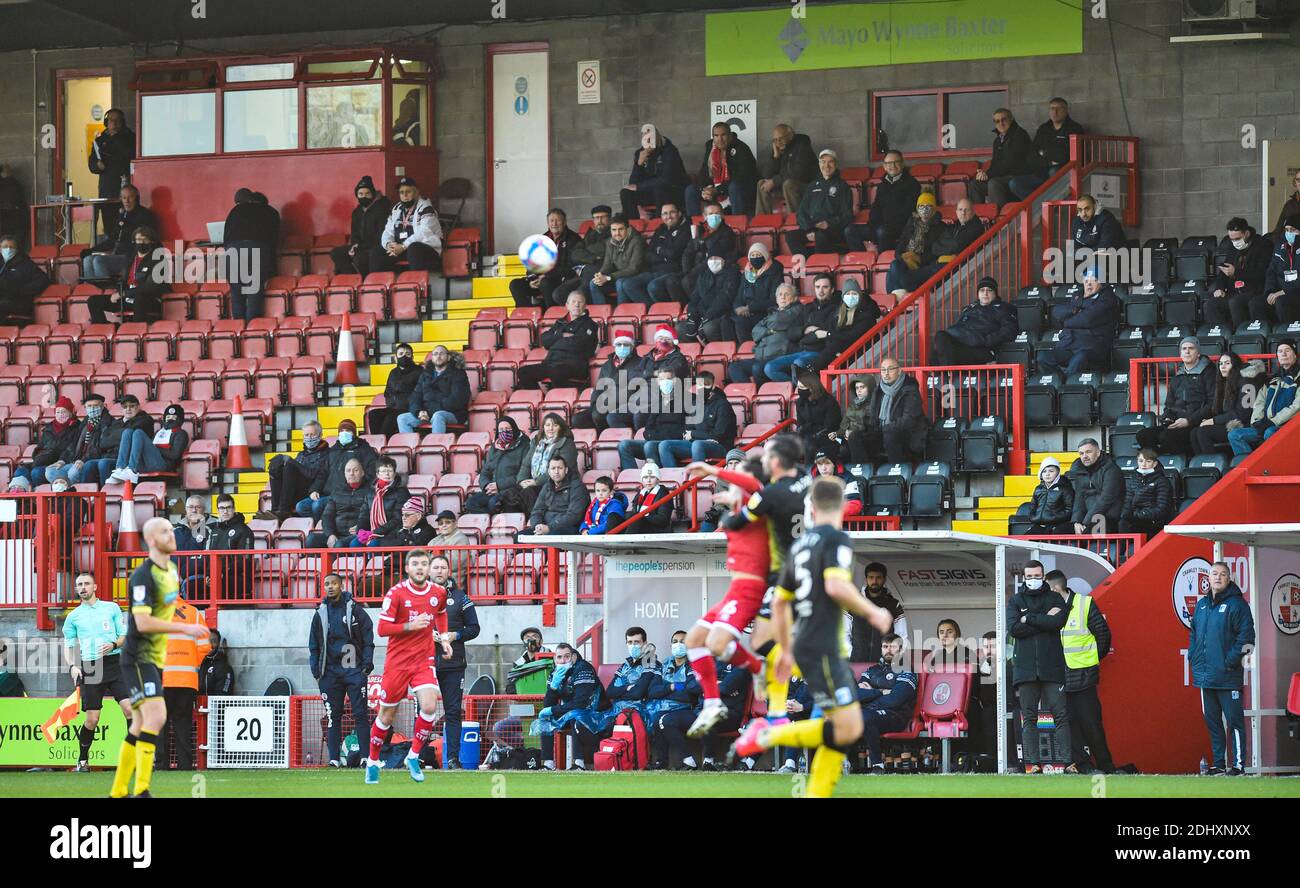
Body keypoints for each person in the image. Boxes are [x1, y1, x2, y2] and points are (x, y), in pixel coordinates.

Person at [732, 475, 892, 797]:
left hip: (804, 645)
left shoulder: (800, 546)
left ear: (811, 507)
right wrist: (873, 612)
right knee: (848, 725)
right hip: (823, 646)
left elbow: (778, 602)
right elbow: (836, 585)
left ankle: (816, 790)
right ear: (845, 506)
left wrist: (787, 650)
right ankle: (766, 736)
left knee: (842, 726)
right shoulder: (837, 540)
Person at [109, 518, 209, 798]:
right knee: (157, 716)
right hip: (138, 656)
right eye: (165, 531)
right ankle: (141, 789)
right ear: (151, 539)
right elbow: (142, 623)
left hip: (153, 658)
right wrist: (185, 627)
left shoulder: (172, 571)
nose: (172, 534)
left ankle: (119, 790)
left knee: (142, 723)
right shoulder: (142, 576)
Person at [721, 435, 811, 722]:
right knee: (771, 641)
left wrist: (733, 506)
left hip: (785, 574)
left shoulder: (771, 495)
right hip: (806, 567)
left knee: (760, 643)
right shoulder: (805, 478)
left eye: (767, 457)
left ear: (776, 461)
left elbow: (735, 522)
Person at [682, 457, 771, 738]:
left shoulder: (758, 502)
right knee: (693, 641)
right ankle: (712, 702)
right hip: (735, 588)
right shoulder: (738, 512)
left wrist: (712, 470)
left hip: (750, 588)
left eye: (737, 476)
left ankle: (757, 667)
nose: (732, 480)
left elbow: (753, 484)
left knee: (717, 644)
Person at [365, 549, 454, 784]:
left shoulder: (438, 592)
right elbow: (382, 629)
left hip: (423, 660)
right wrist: (410, 626)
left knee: (429, 705)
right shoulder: (396, 594)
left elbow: (442, 613)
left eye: (424, 564)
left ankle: (413, 756)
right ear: (407, 568)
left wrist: (444, 639)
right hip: (397, 663)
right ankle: (372, 761)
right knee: (386, 716)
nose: (420, 568)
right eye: (415, 564)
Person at [1045, 570, 1115, 774]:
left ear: (1057, 588)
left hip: (1083, 677)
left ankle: (1106, 766)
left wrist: (1091, 662)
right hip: (1058, 678)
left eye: (1048, 590)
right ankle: (1082, 765)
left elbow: (1103, 635)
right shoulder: (1048, 608)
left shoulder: (1084, 604)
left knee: (1091, 723)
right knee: (1067, 725)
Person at [1189, 561, 1255, 776]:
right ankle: (1218, 764)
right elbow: (1194, 634)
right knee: (1213, 722)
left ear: (1229, 579)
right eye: (1214, 573)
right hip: (1205, 676)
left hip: (1227, 676)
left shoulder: (1238, 605)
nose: (1218, 577)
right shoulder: (1201, 605)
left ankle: (1237, 765)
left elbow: (1248, 640)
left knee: (1234, 722)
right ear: (1208, 578)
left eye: (1223, 574)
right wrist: (1193, 657)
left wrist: (1230, 662)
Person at [1009, 560, 1074, 773]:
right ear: (1024, 577)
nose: (1033, 580)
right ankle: (1033, 765)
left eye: (1037, 576)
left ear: (1043, 576)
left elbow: (1057, 623)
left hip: (1052, 666)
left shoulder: (1055, 598)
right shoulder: (1016, 600)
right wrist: (1043, 621)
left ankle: (1068, 763)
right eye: (1029, 576)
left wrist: (1029, 618)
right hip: (1026, 670)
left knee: (1061, 716)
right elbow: (1014, 629)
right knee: (1029, 718)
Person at [62, 572, 131, 772]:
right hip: (91, 666)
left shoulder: (111, 608)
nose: (82, 587)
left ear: (95, 587)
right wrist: (72, 666)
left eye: (86, 583)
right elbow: (68, 645)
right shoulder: (73, 617)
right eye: (79, 584)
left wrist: (113, 644)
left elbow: (124, 635)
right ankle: (82, 761)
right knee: (92, 718)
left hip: (114, 662)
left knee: (130, 709)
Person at [309, 573, 375, 768]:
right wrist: (316, 670)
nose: (330, 587)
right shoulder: (320, 613)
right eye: (327, 584)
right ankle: (334, 759)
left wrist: (366, 664)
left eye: (334, 583)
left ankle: (365, 758)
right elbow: (313, 644)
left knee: (360, 714)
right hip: (329, 673)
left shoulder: (355, 609)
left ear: (341, 585)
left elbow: (368, 635)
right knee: (333, 716)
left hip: (354, 670)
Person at [430, 554, 479, 769]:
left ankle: (453, 758)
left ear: (449, 572)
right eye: (436, 567)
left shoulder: (461, 597)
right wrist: (424, 635)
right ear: (429, 571)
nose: (439, 571)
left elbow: (474, 628)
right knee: (423, 710)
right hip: (425, 663)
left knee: (452, 711)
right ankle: (419, 756)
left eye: (443, 567)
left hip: (453, 664)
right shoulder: (418, 596)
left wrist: (454, 636)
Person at [533, 642, 611, 770]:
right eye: (559, 657)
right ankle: (547, 764)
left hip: (598, 715)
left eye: (567, 656)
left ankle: (579, 763)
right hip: (573, 712)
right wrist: (553, 687)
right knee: (545, 718)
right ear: (554, 659)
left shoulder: (583, 668)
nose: (563, 661)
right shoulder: (555, 673)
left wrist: (553, 709)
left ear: (573, 657)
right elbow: (548, 704)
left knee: (575, 714)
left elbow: (581, 702)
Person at [1136, 337, 1216, 455]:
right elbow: (1169, 405)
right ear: (1180, 353)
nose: (1187, 351)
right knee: (1143, 436)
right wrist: (1167, 418)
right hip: (1177, 423)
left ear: (1198, 353)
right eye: (1184, 349)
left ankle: (1182, 462)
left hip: (1196, 423)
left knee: (1167, 437)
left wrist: (1189, 421)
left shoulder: (1209, 372)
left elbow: (1212, 404)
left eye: (1191, 348)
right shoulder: (1177, 376)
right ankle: (1159, 462)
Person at [158, 594, 209, 771]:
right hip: (187, 679)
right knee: (183, 723)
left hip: (162, 679)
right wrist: (191, 663)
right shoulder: (194, 613)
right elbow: (205, 645)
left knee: (160, 723)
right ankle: (185, 765)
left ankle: (161, 764)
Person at [1037, 269, 1120, 377]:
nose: (1089, 284)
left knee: (1078, 359)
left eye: (1093, 280)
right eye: (1086, 281)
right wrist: (1074, 310)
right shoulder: (1078, 295)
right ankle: (1060, 382)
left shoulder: (1107, 298)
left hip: (1091, 347)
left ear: (1101, 283)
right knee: (1043, 358)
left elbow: (1087, 319)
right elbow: (1056, 311)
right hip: (1068, 344)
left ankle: (1067, 387)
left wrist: (1066, 322)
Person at [855, 633, 919, 772]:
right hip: (871, 712)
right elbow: (856, 695)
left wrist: (869, 696)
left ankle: (877, 765)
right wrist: (880, 691)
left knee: (865, 716)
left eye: (893, 646)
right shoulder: (872, 670)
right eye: (885, 646)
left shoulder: (907, 670)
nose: (888, 650)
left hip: (896, 716)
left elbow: (894, 701)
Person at [1228, 339, 1300, 455]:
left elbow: (1296, 406)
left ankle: (1272, 467)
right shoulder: (1273, 378)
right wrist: (1257, 421)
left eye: (1288, 350)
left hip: (1287, 427)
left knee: (1270, 432)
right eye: (1280, 351)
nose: (1284, 354)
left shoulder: (1298, 377)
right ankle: (1251, 466)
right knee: (1235, 435)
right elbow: (1259, 401)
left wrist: (1273, 422)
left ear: (1295, 355)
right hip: (1267, 424)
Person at [516, 291, 600, 390]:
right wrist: (562, 336)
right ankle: (542, 398)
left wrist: (555, 341)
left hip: (575, 364)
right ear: (567, 305)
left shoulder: (590, 325)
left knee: (556, 372)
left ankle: (566, 397)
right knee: (523, 372)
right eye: (573, 302)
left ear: (585, 306)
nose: (576, 305)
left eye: (580, 302)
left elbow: (578, 345)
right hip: (552, 362)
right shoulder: (560, 322)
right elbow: (544, 340)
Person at [761, 274, 839, 380]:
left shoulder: (837, 309)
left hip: (820, 352)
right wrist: (805, 330)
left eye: (825, 287)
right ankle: (796, 389)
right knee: (770, 368)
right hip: (801, 351)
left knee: (798, 364)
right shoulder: (807, 308)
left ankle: (802, 390)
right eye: (817, 287)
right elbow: (791, 332)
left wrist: (808, 334)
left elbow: (827, 333)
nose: (821, 291)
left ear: (832, 289)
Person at [930, 276, 1019, 367]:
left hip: (983, 349)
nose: (985, 293)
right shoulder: (969, 309)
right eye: (982, 290)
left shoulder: (1004, 308)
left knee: (943, 344)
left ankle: (950, 377)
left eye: (989, 290)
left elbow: (1009, 331)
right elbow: (958, 327)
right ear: (978, 293)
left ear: (995, 293)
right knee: (937, 349)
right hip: (965, 344)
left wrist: (986, 340)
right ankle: (948, 378)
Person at [852, 357, 926, 465]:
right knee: (855, 436)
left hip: (907, 436)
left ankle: (894, 472)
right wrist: (857, 427)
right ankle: (863, 473)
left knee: (890, 433)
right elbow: (872, 417)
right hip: (882, 433)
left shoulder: (910, 390)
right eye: (883, 370)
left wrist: (886, 428)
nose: (886, 373)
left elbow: (909, 420)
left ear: (899, 371)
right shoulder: (879, 390)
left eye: (890, 369)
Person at [727, 284, 805, 385]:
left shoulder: (797, 310)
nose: (783, 297)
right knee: (734, 367)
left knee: (757, 368)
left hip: (780, 355)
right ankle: (753, 394)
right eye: (780, 294)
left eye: (787, 294)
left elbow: (777, 321)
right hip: (762, 356)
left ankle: (763, 395)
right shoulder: (772, 312)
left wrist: (764, 327)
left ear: (794, 298)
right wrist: (769, 331)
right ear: (776, 299)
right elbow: (755, 331)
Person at [615, 202, 691, 306]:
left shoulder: (687, 229)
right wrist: (664, 257)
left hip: (674, 271)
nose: (668, 216)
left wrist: (659, 250)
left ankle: (664, 314)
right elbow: (648, 254)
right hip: (654, 270)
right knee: (628, 284)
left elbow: (675, 253)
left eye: (672, 212)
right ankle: (652, 312)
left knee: (653, 286)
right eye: (665, 213)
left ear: (679, 213)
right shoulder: (661, 229)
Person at [845, 150, 921, 253]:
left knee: (882, 232)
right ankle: (866, 260)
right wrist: (873, 226)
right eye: (889, 163)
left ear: (902, 164)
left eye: (896, 162)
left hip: (901, 228)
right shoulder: (882, 185)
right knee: (850, 230)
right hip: (881, 226)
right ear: (884, 166)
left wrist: (881, 227)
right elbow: (876, 208)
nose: (892, 166)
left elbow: (908, 211)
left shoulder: (913, 184)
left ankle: (883, 261)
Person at [1191, 353, 1267, 455]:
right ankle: (1201, 466)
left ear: (1235, 365)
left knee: (1202, 432)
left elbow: (1243, 413)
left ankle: (1214, 465)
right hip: (1230, 421)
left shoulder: (1247, 381)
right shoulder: (1225, 381)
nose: (1223, 366)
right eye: (1221, 363)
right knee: (1194, 432)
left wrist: (1213, 421)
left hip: (1245, 424)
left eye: (1227, 363)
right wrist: (1211, 420)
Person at [646, 631, 702, 768]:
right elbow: (652, 691)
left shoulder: (694, 664)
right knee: (657, 719)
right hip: (665, 710)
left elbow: (690, 693)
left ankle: (689, 760)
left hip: (688, 710)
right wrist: (673, 686)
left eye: (682, 641)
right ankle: (662, 762)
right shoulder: (665, 665)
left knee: (664, 719)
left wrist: (664, 691)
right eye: (675, 641)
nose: (678, 644)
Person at [223, 188, 280, 322]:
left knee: (236, 294)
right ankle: (252, 332)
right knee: (254, 293)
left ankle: (238, 331)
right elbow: (273, 240)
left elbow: (226, 238)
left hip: (234, 250)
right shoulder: (271, 212)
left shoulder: (236, 210)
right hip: (257, 249)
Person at [783, 149, 853, 258]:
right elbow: (801, 213)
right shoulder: (812, 186)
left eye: (830, 162)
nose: (827, 165)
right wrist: (808, 229)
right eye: (823, 162)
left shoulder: (843, 187)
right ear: (819, 164)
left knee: (821, 235)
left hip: (833, 229)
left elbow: (847, 215)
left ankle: (819, 268)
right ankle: (805, 265)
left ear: (835, 164)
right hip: (812, 227)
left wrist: (828, 224)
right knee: (790, 236)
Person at [1205, 218, 1273, 329]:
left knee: (1235, 302)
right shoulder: (1232, 246)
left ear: (1246, 233)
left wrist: (1236, 272)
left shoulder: (1264, 245)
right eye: (1232, 239)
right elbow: (1225, 267)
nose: (1235, 242)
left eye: (1237, 238)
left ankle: (1240, 335)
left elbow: (1262, 273)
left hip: (1255, 291)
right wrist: (1220, 288)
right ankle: (1223, 335)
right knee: (1211, 304)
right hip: (1235, 290)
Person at [657, 372, 736, 467]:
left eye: (706, 385)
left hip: (721, 446)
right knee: (664, 445)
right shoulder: (695, 404)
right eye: (699, 385)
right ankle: (675, 477)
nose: (702, 388)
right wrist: (696, 435)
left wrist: (694, 434)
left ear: (713, 386)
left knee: (697, 444)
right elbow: (688, 429)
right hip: (696, 443)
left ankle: (696, 480)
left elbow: (718, 435)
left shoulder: (723, 405)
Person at [570, 329, 644, 432]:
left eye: (626, 345)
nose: (622, 347)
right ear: (615, 346)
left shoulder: (639, 363)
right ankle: (604, 432)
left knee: (598, 415)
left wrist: (607, 403)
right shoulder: (607, 365)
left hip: (624, 403)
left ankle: (604, 438)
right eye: (619, 344)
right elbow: (599, 387)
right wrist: (595, 403)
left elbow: (631, 390)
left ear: (632, 347)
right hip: (604, 403)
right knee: (577, 419)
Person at [82, 184, 157, 281]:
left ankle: (109, 291)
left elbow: (146, 242)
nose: (127, 201)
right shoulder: (122, 216)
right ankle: (93, 292)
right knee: (87, 259)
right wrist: (91, 250)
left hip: (132, 257)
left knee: (98, 261)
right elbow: (111, 241)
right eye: (124, 198)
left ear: (136, 198)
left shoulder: (145, 215)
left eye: (130, 197)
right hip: (118, 255)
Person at [260, 420, 332, 521]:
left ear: (320, 435)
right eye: (306, 435)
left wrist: (290, 461)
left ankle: (283, 511)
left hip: (312, 493)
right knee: (276, 466)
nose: (309, 438)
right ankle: (275, 510)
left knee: (289, 466)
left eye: (312, 434)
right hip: (293, 493)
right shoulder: (301, 454)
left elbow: (312, 475)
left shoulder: (327, 454)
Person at [510, 208, 581, 308]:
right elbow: (533, 264)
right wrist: (532, 279)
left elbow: (571, 267)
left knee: (545, 283)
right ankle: (529, 314)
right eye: (551, 221)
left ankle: (550, 314)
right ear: (548, 224)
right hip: (540, 280)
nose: (554, 224)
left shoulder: (574, 239)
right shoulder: (542, 240)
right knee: (515, 284)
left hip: (561, 281)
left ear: (564, 222)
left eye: (558, 220)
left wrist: (547, 276)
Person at [1015, 97, 1085, 199]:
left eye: (1058, 109)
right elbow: (1031, 154)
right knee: (1015, 183)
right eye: (1052, 108)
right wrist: (1048, 161)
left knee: (1053, 172)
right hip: (1042, 172)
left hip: (1064, 174)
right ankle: (1040, 204)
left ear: (1066, 111)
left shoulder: (1075, 128)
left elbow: (1065, 155)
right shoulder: (1044, 128)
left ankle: (1049, 206)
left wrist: (1043, 152)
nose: (1054, 112)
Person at [618, 368, 687, 471]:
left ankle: (657, 477)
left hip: (673, 443)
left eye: (668, 379)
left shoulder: (686, 400)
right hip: (654, 441)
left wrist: (656, 436)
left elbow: (682, 430)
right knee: (624, 445)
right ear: (658, 382)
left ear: (675, 381)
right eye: (662, 380)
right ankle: (633, 477)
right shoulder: (657, 402)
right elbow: (648, 430)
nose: (665, 383)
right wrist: (654, 436)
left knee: (649, 445)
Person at [805, 279, 880, 371]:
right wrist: (836, 351)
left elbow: (852, 336)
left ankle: (811, 369)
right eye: (848, 294)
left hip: (858, 354)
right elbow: (832, 335)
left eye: (854, 294)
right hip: (839, 353)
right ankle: (810, 370)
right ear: (843, 297)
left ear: (860, 296)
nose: (851, 297)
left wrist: (827, 334)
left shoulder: (867, 315)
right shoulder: (839, 313)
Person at [968, 108, 1036, 208]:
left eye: (1004, 119)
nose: (1001, 123)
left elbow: (1010, 163)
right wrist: (984, 174)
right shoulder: (997, 140)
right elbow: (995, 164)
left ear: (1011, 119)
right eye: (997, 121)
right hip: (1003, 177)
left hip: (1018, 177)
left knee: (993, 183)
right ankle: (980, 217)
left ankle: (1000, 219)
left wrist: (988, 174)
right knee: (975, 184)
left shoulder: (1020, 135)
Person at [7, 396, 79, 491]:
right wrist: (39, 457)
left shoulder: (76, 427)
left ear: (70, 413)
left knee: (36, 473)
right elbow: (39, 448)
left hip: (60, 463)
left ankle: (35, 495)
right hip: (42, 461)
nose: (60, 415)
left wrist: (53, 453)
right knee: (20, 471)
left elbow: (70, 449)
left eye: (64, 412)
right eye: (58, 412)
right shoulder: (49, 428)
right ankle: (22, 495)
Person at [687, 121, 758, 218]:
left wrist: (718, 190)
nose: (720, 139)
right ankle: (694, 225)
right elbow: (704, 171)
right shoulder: (710, 147)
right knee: (691, 190)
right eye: (716, 135)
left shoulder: (741, 148)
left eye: (723, 135)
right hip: (715, 189)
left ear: (730, 135)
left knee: (734, 186)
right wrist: (705, 189)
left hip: (735, 191)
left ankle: (738, 223)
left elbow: (742, 177)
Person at [105, 402, 188, 484]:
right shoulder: (158, 432)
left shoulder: (181, 433)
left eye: (174, 417)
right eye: (168, 416)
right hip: (146, 463)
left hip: (163, 465)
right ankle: (120, 468)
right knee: (127, 432)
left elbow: (174, 455)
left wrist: (155, 448)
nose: (170, 419)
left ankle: (131, 470)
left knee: (138, 433)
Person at [620, 123, 690, 219]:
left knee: (659, 187)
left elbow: (666, 180)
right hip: (649, 191)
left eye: (650, 139)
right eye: (645, 140)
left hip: (672, 191)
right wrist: (638, 164)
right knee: (625, 192)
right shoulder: (640, 153)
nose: (648, 143)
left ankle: (659, 222)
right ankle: (633, 225)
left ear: (658, 137)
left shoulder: (670, 151)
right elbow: (633, 183)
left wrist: (639, 186)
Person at [396, 345, 471, 435]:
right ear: (432, 358)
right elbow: (415, 396)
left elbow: (457, 400)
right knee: (402, 418)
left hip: (453, 413)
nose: (438, 356)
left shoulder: (458, 374)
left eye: (441, 354)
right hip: (427, 413)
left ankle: (436, 447)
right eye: (435, 354)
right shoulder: (425, 374)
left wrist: (430, 411)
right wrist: (419, 412)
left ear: (448, 357)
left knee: (438, 415)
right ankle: (410, 447)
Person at [884, 191, 945, 297]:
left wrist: (917, 258)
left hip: (923, 265)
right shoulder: (911, 223)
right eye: (921, 206)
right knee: (895, 264)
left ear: (934, 209)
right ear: (917, 208)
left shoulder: (940, 227)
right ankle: (896, 299)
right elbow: (901, 244)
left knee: (896, 274)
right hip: (906, 261)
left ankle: (898, 300)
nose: (924, 210)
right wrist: (902, 256)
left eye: (928, 206)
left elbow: (936, 251)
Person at [374, 176, 441, 273]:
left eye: (408, 192)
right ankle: (381, 286)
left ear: (417, 192)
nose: (405, 195)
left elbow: (424, 232)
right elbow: (388, 231)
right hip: (402, 249)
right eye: (401, 192)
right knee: (377, 253)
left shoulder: (426, 208)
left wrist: (403, 246)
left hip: (426, 248)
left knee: (414, 249)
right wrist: (389, 244)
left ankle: (417, 286)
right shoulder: (396, 209)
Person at [85, 394, 155, 487]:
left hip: (130, 460)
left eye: (132, 406)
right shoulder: (116, 422)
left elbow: (131, 436)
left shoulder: (145, 420)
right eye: (125, 407)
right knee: (88, 464)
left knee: (103, 463)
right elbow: (103, 442)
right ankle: (86, 496)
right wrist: (122, 436)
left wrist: (115, 436)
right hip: (112, 455)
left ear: (138, 407)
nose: (128, 409)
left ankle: (107, 494)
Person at [464, 416, 528, 514]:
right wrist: (486, 486)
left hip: (511, 490)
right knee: (471, 503)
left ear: (514, 429)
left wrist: (499, 485)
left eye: (507, 429)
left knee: (493, 503)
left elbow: (522, 475)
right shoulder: (494, 448)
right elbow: (485, 472)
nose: (504, 432)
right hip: (491, 490)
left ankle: (497, 519)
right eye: (501, 430)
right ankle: (492, 521)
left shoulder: (524, 446)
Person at [516, 413, 579, 512]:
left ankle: (534, 522)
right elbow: (526, 465)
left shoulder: (567, 444)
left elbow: (559, 469)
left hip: (556, 484)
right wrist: (522, 481)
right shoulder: (537, 442)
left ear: (561, 428)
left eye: (555, 425)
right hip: (533, 483)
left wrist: (536, 482)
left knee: (528, 493)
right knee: (510, 494)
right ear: (543, 427)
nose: (551, 428)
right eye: (547, 425)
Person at [550, 205, 612, 307]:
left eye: (603, 217)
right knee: (558, 294)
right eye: (596, 218)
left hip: (602, 275)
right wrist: (594, 258)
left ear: (609, 219)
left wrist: (586, 253)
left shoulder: (614, 233)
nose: (599, 221)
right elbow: (574, 254)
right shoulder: (591, 234)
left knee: (578, 296)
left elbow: (603, 250)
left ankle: (587, 317)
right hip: (584, 276)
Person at [847, 561, 908, 663]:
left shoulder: (894, 605)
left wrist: (896, 658)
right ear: (866, 579)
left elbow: (902, 636)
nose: (874, 581)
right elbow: (844, 633)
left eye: (878, 577)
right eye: (871, 577)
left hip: (884, 663)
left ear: (884, 579)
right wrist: (850, 656)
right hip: (857, 662)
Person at [331, 175, 392, 276]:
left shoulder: (382, 209)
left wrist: (360, 247)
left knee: (360, 258)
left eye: (367, 194)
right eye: (361, 194)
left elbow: (382, 236)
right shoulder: (357, 212)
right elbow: (354, 234)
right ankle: (352, 278)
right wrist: (354, 246)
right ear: (357, 195)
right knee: (336, 253)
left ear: (372, 194)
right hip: (360, 246)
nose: (364, 196)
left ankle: (365, 281)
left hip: (376, 247)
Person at [44, 394, 111, 486]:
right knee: (50, 471)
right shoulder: (85, 423)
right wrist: (62, 460)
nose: (92, 409)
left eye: (96, 406)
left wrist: (83, 460)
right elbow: (72, 445)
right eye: (89, 406)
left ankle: (72, 494)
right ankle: (65, 492)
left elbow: (100, 447)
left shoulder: (108, 423)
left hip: (91, 460)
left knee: (73, 473)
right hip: (75, 461)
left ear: (103, 406)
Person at [754, 124, 817, 216]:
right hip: (784, 187)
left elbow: (797, 173)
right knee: (761, 184)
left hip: (807, 186)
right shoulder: (779, 148)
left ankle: (796, 221)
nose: (778, 142)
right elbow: (766, 175)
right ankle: (762, 223)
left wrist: (774, 181)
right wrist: (775, 157)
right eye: (775, 140)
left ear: (791, 136)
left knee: (789, 184)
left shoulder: (802, 146)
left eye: (781, 138)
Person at [89, 108, 135, 233]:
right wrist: (98, 165)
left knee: (127, 227)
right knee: (110, 228)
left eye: (117, 121)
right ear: (106, 122)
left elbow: (131, 154)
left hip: (126, 188)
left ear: (122, 123)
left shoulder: (130, 138)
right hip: (107, 191)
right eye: (110, 120)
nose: (113, 124)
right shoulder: (99, 141)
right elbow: (91, 165)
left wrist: (116, 138)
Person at [519, 455, 587, 537]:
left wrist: (549, 527)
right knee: (519, 536)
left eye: (560, 468)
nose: (556, 471)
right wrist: (537, 526)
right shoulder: (547, 486)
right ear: (548, 471)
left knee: (551, 537)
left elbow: (574, 516)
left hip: (568, 528)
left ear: (566, 470)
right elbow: (536, 511)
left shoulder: (577, 487)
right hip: (546, 527)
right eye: (553, 468)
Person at [730, 242, 784, 344]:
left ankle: (751, 351)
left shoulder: (775, 271)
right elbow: (739, 295)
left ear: (765, 255)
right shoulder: (747, 272)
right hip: (747, 311)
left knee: (742, 323)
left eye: (758, 255)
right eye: (752, 255)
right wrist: (737, 308)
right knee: (726, 321)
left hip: (765, 311)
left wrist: (749, 308)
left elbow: (774, 300)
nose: (755, 258)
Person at [309, 458, 370, 549]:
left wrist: (362, 526)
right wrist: (331, 534)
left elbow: (373, 515)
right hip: (337, 534)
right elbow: (327, 516)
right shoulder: (337, 491)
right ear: (345, 474)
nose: (351, 473)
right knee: (311, 539)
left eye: (355, 470)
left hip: (356, 535)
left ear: (362, 473)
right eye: (348, 471)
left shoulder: (370, 491)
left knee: (339, 545)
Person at [587, 213, 646, 306]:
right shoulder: (609, 242)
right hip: (619, 276)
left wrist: (608, 277)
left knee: (620, 282)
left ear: (628, 228)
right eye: (614, 230)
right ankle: (602, 316)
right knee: (594, 283)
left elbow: (634, 269)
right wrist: (600, 274)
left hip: (639, 276)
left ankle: (621, 315)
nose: (617, 233)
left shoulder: (637, 241)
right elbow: (607, 264)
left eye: (620, 229)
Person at [688, 242, 741, 343]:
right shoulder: (704, 274)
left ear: (724, 260)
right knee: (682, 328)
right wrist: (692, 316)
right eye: (711, 259)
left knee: (709, 328)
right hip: (703, 313)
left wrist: (707, 317)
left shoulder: (732, 272)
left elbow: (725, 299)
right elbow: (695, 298)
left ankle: (717, 353)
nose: (713, 261)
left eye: (716, 258)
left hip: (722, 313)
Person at [1070, 438, 1124, 535]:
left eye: (1088, 452)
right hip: (1087, 518)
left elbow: (1106, 500)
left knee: (1088, 532)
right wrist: (1077, 521)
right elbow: (1079, 498)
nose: (1084, 456)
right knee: (1060, 531)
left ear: (1098, 453)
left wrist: (1086, 522)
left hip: (1108, 517)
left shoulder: (1111, 470)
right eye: (1081, 453)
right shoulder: (1079, 470)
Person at [367, 343, 422, 437]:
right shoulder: (393, 373)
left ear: (412, 357)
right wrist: (391, 403)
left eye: (407, 354)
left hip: (409, 409)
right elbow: (387, 392)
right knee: (373, 414)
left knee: (390, 419)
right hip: (393, 407)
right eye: (401, 354)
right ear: (396, 358)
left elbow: (420, 393)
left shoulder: (419, 371)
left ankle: (386, 444)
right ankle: (377, 442)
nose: (404, 356)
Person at [207, 494, 255, 600]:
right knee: (192, 584)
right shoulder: (215, 531)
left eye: (228, 507)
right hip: (217, 575)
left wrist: (222, 572)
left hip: (238, 577)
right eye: (222, 508)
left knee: (218, 584)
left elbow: (244, 560)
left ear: (234, 509)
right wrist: (208, 574)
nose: (225, 511)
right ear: (217, 510)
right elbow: (209, 557)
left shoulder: (244, 530)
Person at [354, 457, 409, 547]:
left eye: (390, 471)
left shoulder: (401, 492)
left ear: (394, 474)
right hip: (372, 532)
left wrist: (375, 532)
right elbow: (364, 515)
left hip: (392, 533)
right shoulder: (370, 492)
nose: (387, 473)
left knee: (373, 544)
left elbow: (398, 519)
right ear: (378, 474)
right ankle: (362, 561)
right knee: (354, 543)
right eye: (383, 471)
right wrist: (360, 531)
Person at [794, 366, 842, 461]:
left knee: (809, 444)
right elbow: (800, 424)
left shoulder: (829, 401)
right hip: (808, 435)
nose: (799, 390)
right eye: (798, 387)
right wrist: (803, 430)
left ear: (812, 388)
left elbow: (830, 427)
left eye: (803, 387)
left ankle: (810, 472)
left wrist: (807, 428)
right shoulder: (800, 402)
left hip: (828, 437)